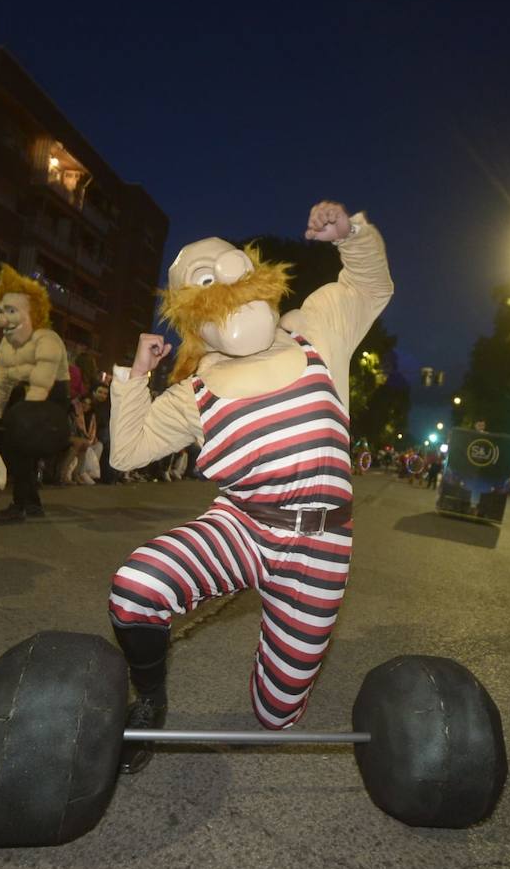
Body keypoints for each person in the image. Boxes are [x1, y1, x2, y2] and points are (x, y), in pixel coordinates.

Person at [106, 200, 392, 773]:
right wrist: (137, 374)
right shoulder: (196, 390)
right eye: (204, 278)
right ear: (189, 309)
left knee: (276, 716)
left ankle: (278, 695)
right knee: (136, 588)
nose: (228, 284)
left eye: (234, 267)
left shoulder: (315, 330)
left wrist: (351, 234)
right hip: (240, 526)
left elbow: (370, 285)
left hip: (320, 546)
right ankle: (151, 699)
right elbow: (127, 450)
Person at [0, 267, 68, 522]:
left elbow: (42, 381)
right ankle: (30, 503)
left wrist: (21, 418)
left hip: (47, 401)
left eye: (11, 310)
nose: (4, 318)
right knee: (13, 450)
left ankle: (21, 505)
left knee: (19, 449)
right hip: (23, 399)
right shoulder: (7, 343)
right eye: (2, 310)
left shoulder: (48, 339)